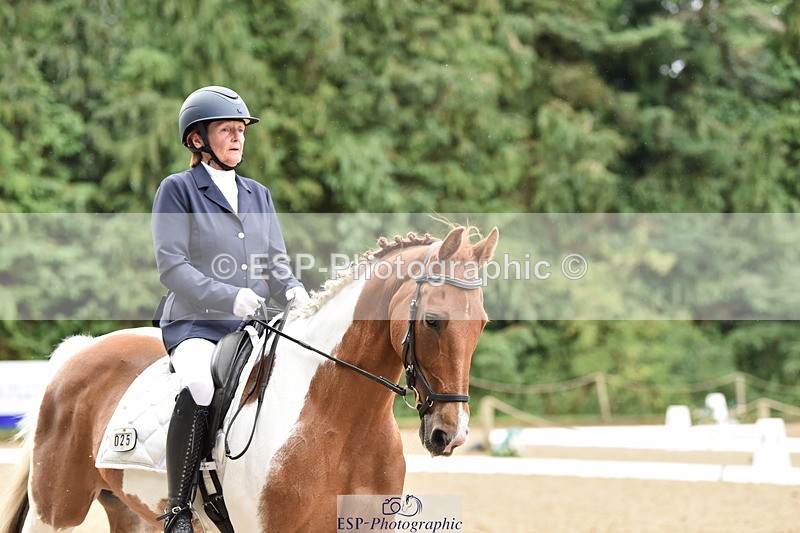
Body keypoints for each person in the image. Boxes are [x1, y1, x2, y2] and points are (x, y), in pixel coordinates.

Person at [151, 85, 309, 532]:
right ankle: (179, 508)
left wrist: (295, 290)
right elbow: (172, 268)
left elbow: (275, 262)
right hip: (195, 324)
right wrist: (229, 296)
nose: (238, 138)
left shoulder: (258, 193)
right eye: (227, 130)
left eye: (241, 130)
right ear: (198, 138)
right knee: (201, 384)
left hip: (252, 324)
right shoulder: (178, 190)